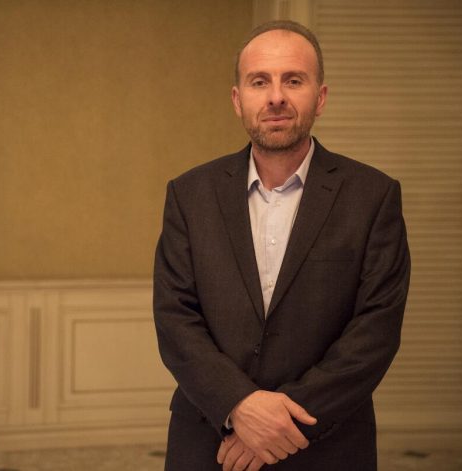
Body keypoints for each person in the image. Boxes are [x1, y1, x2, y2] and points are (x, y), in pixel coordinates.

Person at [153, 20, 410, 471]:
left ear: (320, 97)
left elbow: (375, 330)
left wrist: (278, 424)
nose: (276, 97)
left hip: (327, 443)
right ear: (238, 100)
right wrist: (239, 406)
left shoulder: (373, 196)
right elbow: (176, 319)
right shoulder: (189, 194)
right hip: (210, 440)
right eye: (259, 81)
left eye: (293, 80)